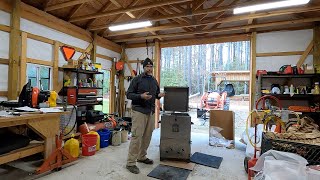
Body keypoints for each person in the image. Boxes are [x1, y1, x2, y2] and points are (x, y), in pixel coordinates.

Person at [126, 58, 165, 174]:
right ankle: (130, 163)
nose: (149, 68)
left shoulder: (154, 80)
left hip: (150, 111)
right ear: (144, 68)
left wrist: (160, 95)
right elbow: (129, 94)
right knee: (137, 136)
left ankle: (142, 157)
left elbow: (156, 95)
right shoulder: (137, 79)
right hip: (139, 111)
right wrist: (141, 96)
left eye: (151, 66)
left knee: (147, 136)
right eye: (147, 66)